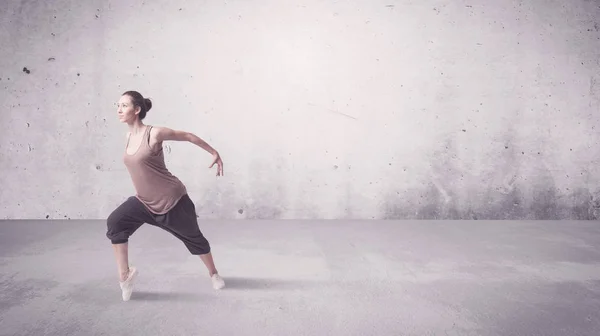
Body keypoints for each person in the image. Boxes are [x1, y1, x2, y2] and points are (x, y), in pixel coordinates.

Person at [106, 90, 225, 301]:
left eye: (124, 105)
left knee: (194, 239)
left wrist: (214, 152)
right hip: (144, 202)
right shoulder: (127, 136)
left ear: (137, 109)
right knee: (116, 223)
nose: (119, 109)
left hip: (172, 201)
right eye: (118, 105)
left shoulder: (154, 133)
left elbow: (187, 136)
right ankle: (125, 276)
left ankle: (213, 273)